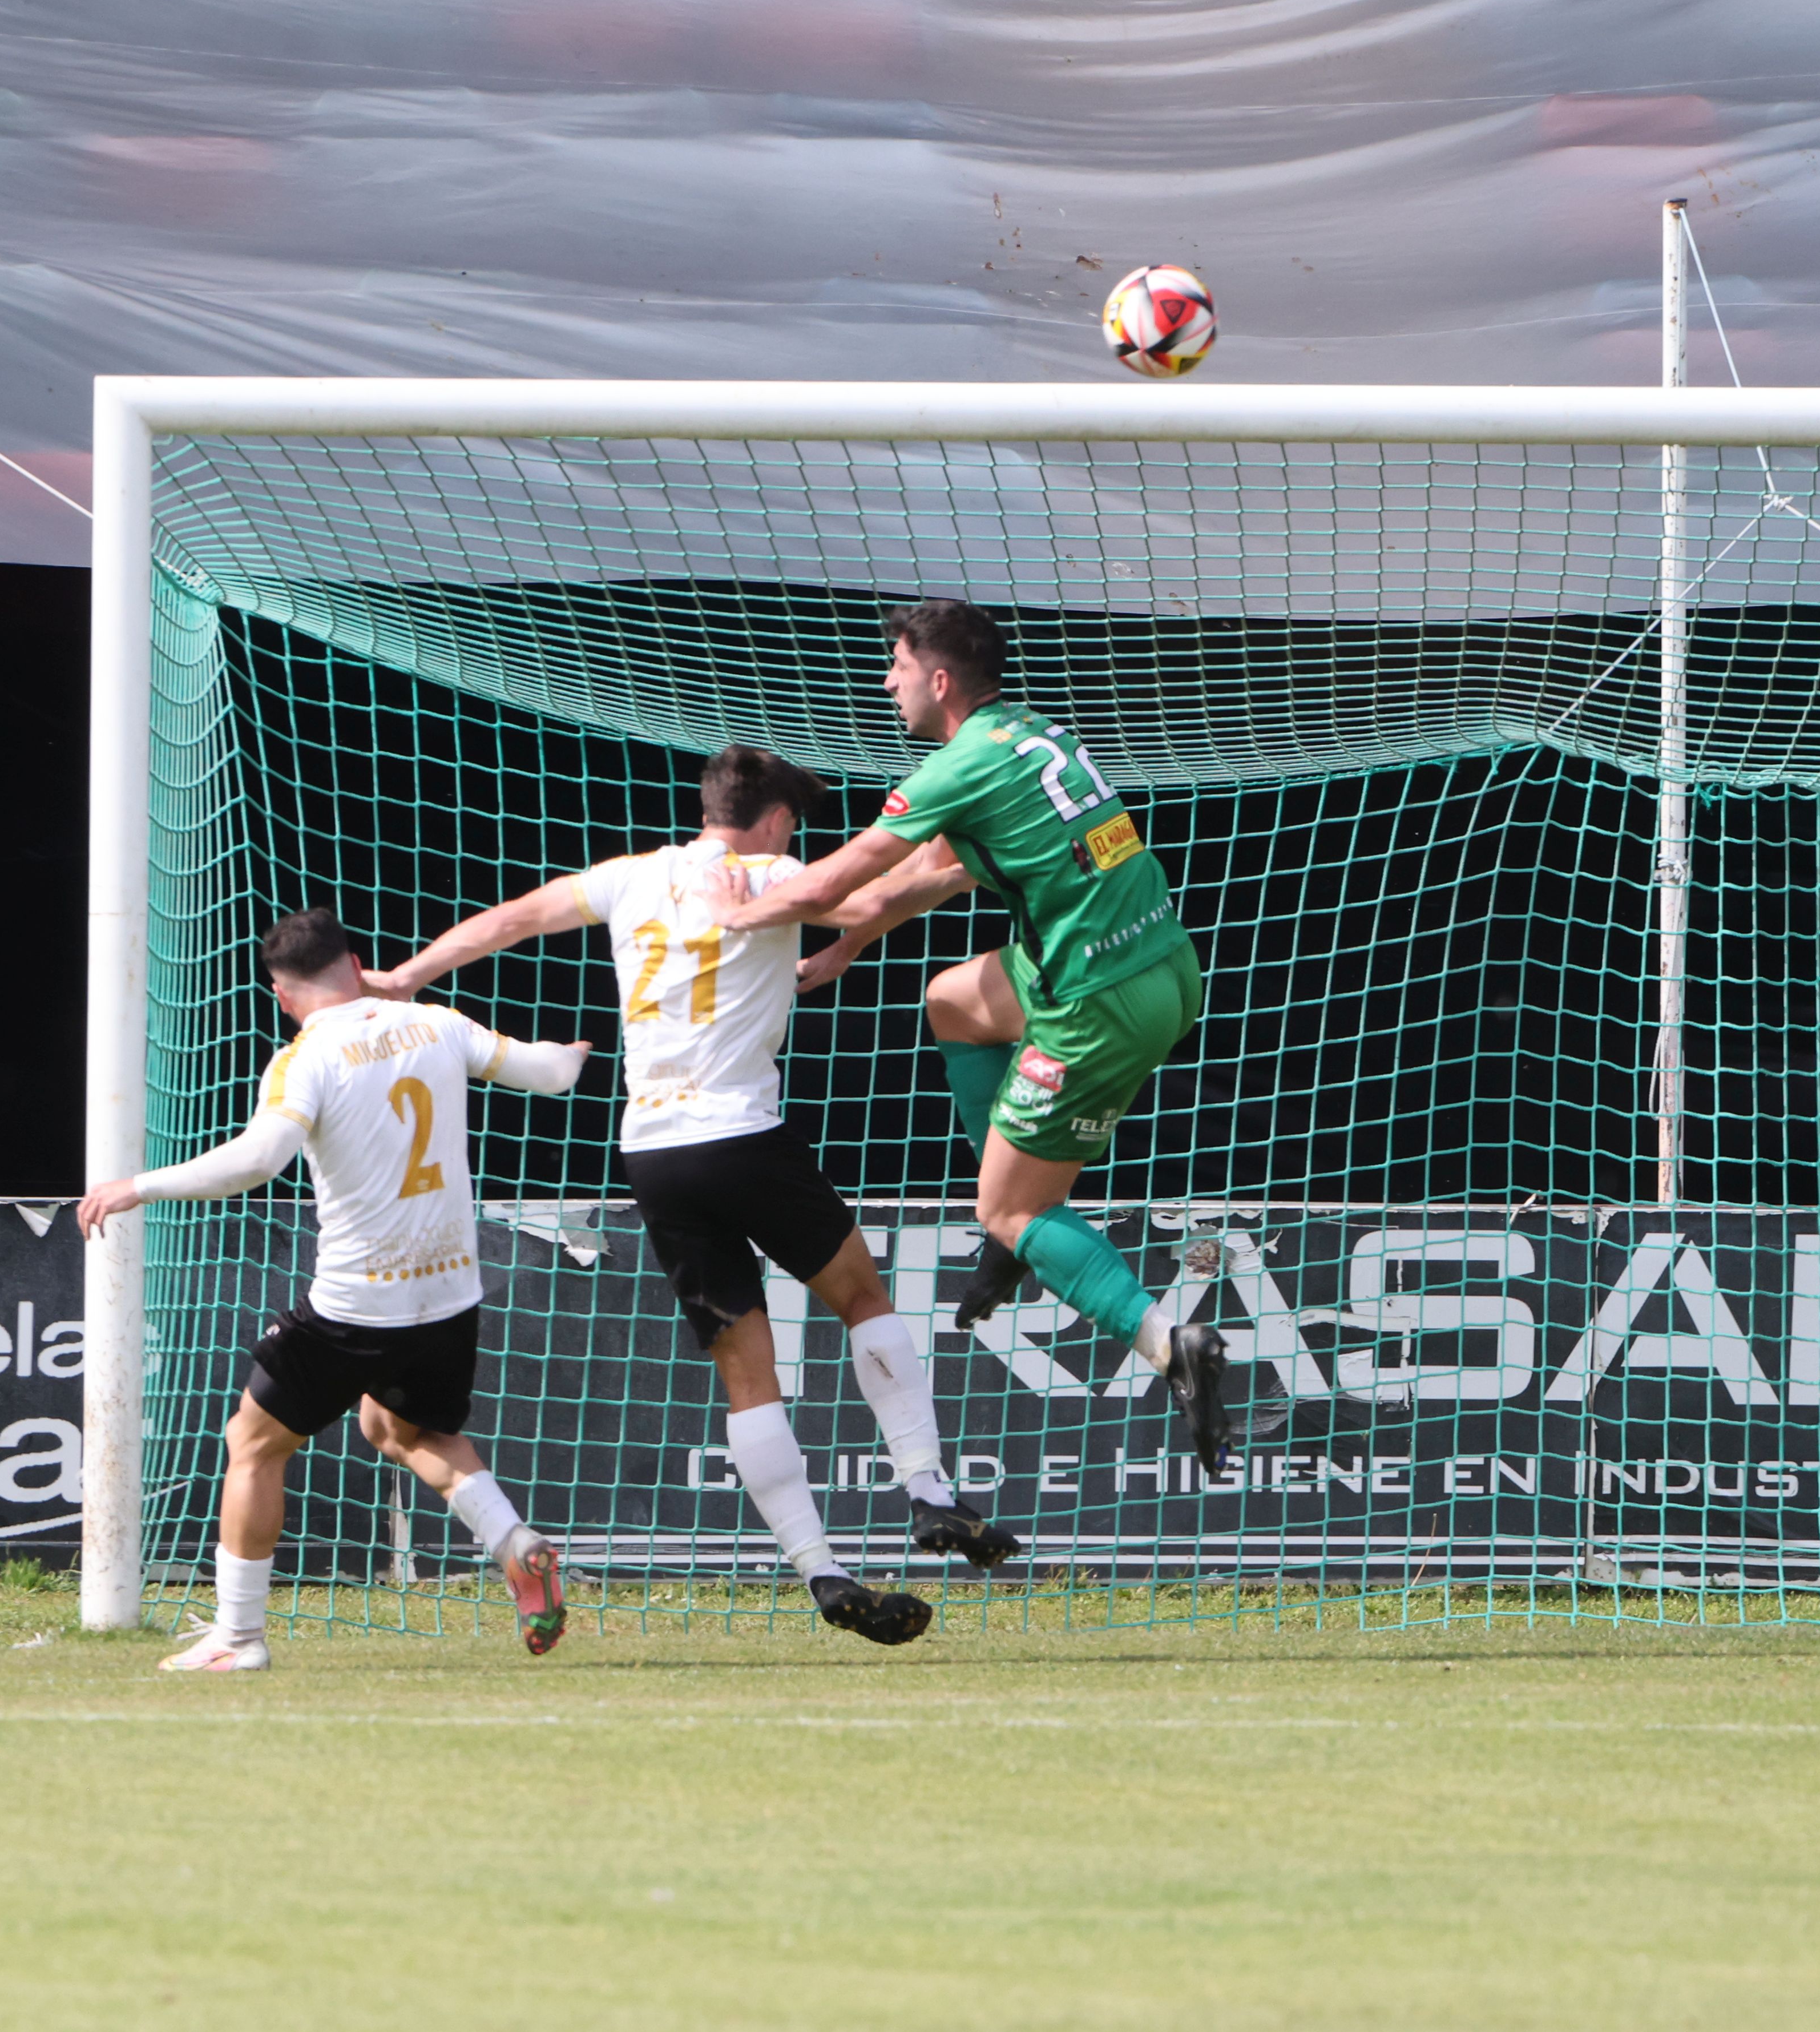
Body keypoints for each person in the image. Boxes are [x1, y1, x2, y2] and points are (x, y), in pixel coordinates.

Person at [369, 742, 1015, 1647]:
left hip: (654, 1153)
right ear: (778, 819)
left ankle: (820, 1571)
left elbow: (511, 920)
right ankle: (929, 1492)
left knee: (747, 1377)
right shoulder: (779, 873)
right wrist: (970, 856)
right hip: (744, 1134)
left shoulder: (631, 877)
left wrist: (406, 978)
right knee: (863, 1295)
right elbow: (882, 889)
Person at [709, 600, 1233, 1472]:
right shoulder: (1029, 737)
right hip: (1161, 964)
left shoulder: (957, 766)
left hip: (1096, 1000)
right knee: (951, 999)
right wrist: (847, 944)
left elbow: (846, 877)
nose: (888, 681)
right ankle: (1010, 1243)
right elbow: (923, 882)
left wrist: (746, 909)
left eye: (898, 665)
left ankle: (1171, 1343)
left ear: (939, 680)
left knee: (1016, 1202)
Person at [78, 906, 590, 1673]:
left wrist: (137, 1186)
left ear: (284, 995)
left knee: (251, 1444)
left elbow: (257, 1161)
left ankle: (238, 1638)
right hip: (449, 1295)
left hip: (358, 1306)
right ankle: (516, 1544)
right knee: (399, 1430)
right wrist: (579, 1048)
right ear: (359, 963)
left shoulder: (305, 1056)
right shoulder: (439, 1023)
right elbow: (551, 1074)